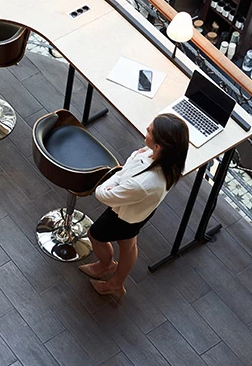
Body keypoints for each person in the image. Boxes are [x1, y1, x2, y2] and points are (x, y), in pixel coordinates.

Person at [79, 114, 190, 299]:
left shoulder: (143, 182)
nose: (146, 129)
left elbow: (103, 194)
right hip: (139, 211)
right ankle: (116, 283)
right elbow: (130, 166)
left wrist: (112, 182)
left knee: (95, 235)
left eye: (150, 131)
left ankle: (106, 266)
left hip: (123, 216)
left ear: (159, 146)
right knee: (129, 244)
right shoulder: (170, 161)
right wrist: (124, 175)